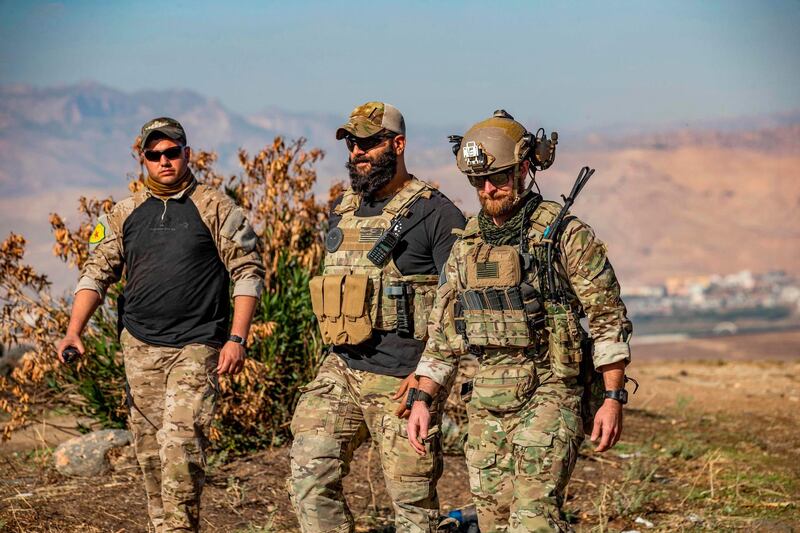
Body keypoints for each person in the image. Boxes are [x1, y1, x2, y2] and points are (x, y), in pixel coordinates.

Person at [406, 110, 634, 532]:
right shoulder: (466, 246)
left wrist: (611, 398)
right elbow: (442, 335)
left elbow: (606, 318)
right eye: (478, 182)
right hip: (488, 401)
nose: (488, 189)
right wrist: (423, 400)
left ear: (525, 168)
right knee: (494, 524)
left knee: (532, 523)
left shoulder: (564, 236)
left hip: (550, 392)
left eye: (500, 178)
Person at [56, 117, 265, 533]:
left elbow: (248, 272)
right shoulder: (124, 214)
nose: (164, 161)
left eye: (172, 152)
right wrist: (74, 330)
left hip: (198, 344)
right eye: (155, 155)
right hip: (141, 345)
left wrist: (237, 338)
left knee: (181, 447)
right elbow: (96, 273)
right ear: (143, 160)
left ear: (187, 154)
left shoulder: (215, 207)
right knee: (150, 452)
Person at [288, 102, 466, 533]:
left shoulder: (436, 214)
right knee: (309, 478)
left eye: (368, 142)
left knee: (413, 508)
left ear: (398, 144)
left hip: (403, 380)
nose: (357, 153)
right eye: (352, 144)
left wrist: (428, 378)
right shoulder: (343, 209)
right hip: (342, 369)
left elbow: (459, 307)